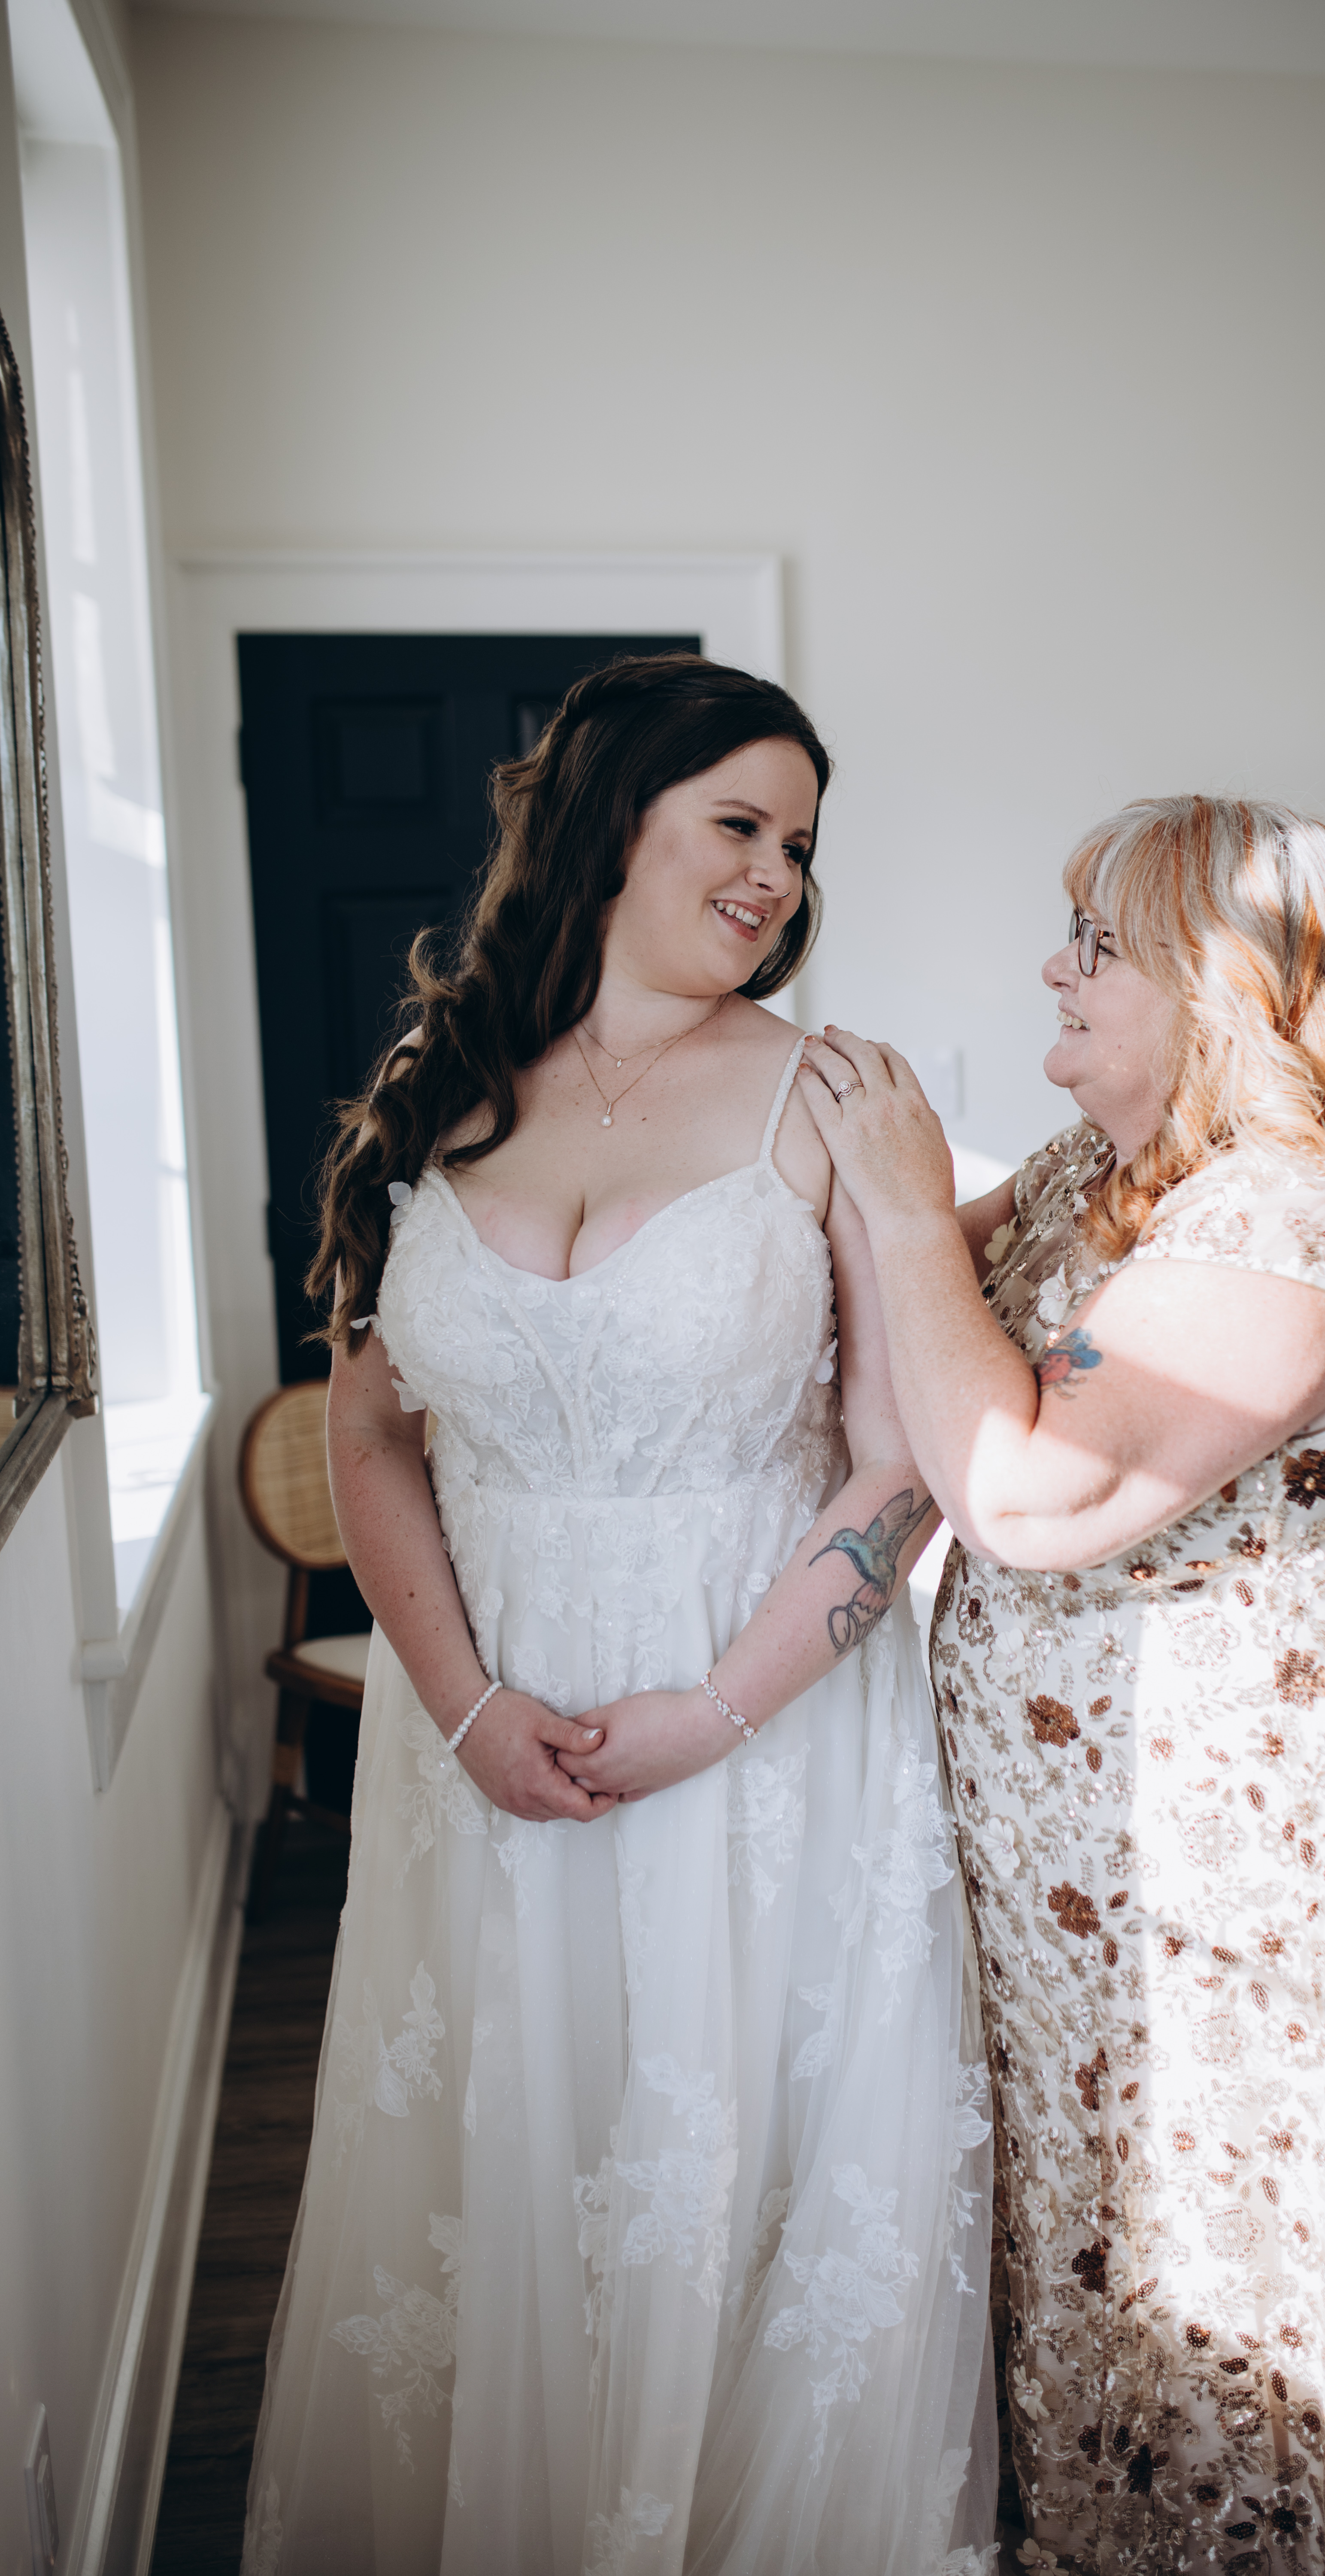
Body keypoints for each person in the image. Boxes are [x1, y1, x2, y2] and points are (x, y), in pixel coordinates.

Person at [242, 656, 996, 2576]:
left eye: (799, 845)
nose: (774, 877)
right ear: (608, 819)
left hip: (767, 1733)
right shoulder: (442, 1089)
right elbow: (371, 1428)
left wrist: (710, 1712)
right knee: (515, 2154)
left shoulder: (837, 1098)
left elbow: (897, 1466)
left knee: (734, 2170)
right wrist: (461, 1707)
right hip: (483, 1730)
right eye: (736, 823)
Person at [794, 796, 1325, 2574]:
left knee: (1225, 2258)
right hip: (1087, 1867)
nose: (1053, 970)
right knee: (1105, 2232)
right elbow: (904, 1351)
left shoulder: (1287, 1219)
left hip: (1242, 1867)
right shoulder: (1101, 1175)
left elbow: (1032, 1492)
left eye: (1097, 943)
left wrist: (902, 1208)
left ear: (1225, 992)